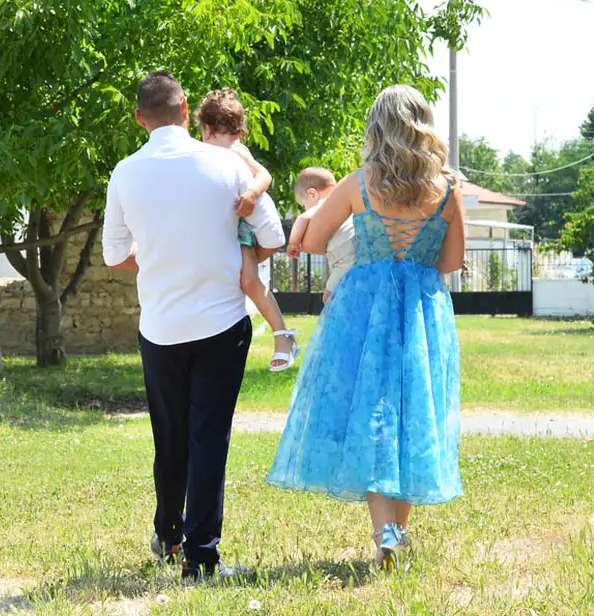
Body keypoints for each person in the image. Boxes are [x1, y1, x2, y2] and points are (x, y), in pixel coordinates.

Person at [265, 84, 466, 569]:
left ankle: (386, 536)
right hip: (421, 309)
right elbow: (453, 260)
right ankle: (397, 531)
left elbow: (313, 243)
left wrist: (309, 216)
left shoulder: (357, 184)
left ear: (377, 128)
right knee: (413, 410)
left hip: (363, 307)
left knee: (372, 412)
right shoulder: (448, 187)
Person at [103, 72, 286, 580]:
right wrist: (229, 253)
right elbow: (271, 234)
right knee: (209, 438)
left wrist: (165, 256)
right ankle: (201, 558)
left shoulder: (124, 172)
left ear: (140, 118)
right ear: (186, 110)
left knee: (170, 439)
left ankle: (167, 536)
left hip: (159, 325)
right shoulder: (225, 164)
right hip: (221, 321)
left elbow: (116, 255)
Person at [195, 89, 299, 371]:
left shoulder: (237, 151)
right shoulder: (199, 154)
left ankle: (282, 336)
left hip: (241, 227)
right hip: (218, 228)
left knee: (250, 282)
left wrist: (252, 194)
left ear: (205, 128)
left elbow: (265, 174)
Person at [286, 167, 355, 303]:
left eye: (304, 205)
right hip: (357, 253)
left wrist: (293, 243)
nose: (305, 209)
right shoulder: (345, 203)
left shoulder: (324, 204)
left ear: (312, 194)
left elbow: (302, 219)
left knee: (328, 297)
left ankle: (335, 324)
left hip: (345, 259)